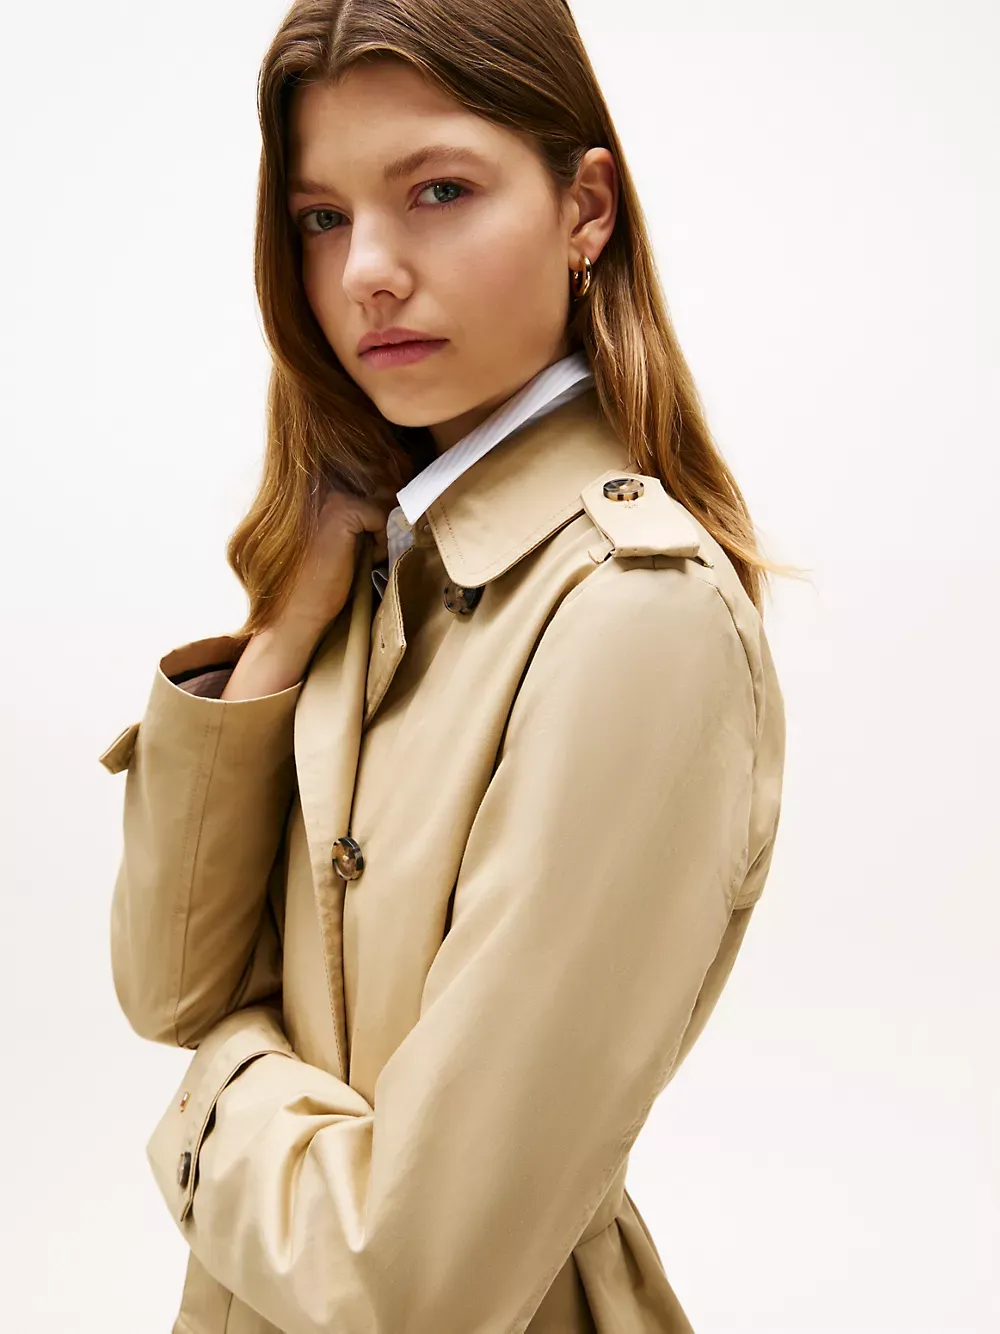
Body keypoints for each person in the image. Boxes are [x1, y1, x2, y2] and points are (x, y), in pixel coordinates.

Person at [99, 2, 799, 1330]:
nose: (368, 270)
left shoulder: (633, 619)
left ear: (585, 209)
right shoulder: (377, 567)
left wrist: (215, 1092)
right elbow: (167, 979)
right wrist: (280, 637)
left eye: (437, 191)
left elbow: (410, 1279)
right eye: (322, 217)